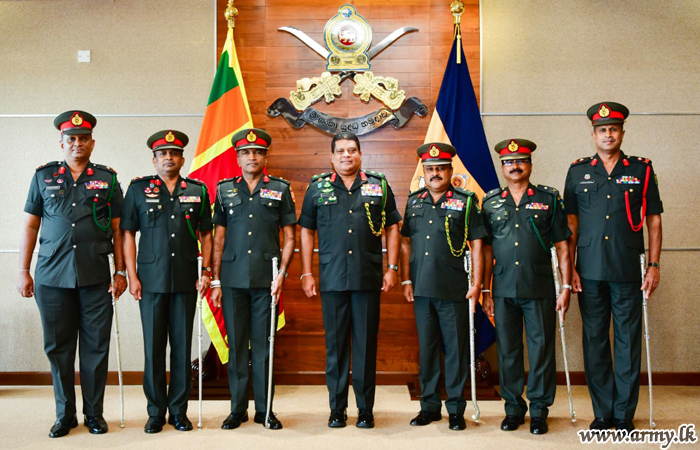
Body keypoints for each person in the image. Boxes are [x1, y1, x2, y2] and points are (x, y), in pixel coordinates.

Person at [17, 110, 127, 438]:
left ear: (92, 142)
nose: (77, 143)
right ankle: (64, 415)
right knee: (59, 349)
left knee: (96, 349)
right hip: (52, 278)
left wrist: (121, 271)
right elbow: (31, 225)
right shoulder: (43, 176)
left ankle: (94, 414)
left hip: (96, 278)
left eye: (83, 138)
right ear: (61, 143)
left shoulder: (107, 179)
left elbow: (119, 230)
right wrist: (23, 270)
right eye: (71, 138)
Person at [564, 102, 663, 432]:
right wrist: (570, 269)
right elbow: (571, 224)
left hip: (627, 269)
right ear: (593, 135)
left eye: (614, 129)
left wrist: (654, 265)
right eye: (602, 129)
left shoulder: (642, 170)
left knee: (627, 342)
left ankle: (623, 414)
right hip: (588, 271)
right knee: (595, 341)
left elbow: (653, 220)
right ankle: (603, 412)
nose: (608, 134)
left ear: (622, 133)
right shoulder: (577, 171)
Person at [298, 132, 401, 429]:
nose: (347, 155)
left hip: (367, 277)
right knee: (336, 346)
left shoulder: (378, 185)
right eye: (341, 151)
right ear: (332, 157)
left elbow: (393, 227)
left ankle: (365, 409)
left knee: (366, 346)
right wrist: (306, 272)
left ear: (360, 154)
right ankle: (337, 409)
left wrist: (392, 267)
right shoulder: (317, 187)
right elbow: (306, 229)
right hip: (332, 278)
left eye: (352, 150)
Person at [121, 130, 213, 433]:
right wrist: (132, 275)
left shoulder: (197, 190)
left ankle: (179, 411)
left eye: (174, 153)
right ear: (154, 160)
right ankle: (155, 412)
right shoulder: (138, 190)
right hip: (150, 281)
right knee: (154, 348)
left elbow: (207, 234)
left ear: (182, 159)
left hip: (186, 280)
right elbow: (127, 234)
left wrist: (206, 271)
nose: (168, 158)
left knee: (182, 348)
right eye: (162, 154)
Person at [481, 138, 572, 435]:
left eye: (520, 161)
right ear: (502, 167)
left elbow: (563, 245)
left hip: (539, 287)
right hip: (503, 288)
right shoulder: (491, 202)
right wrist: (485, 290)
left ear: (530, 165)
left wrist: (566, 286)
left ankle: (539, 410)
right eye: (509, 162)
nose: (515, 166)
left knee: (541, 349)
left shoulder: (548, 198)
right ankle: (513, 408)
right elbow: (486, 250)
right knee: (508, 351)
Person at [210, 128, 296, 430]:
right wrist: (216, 280)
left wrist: (282, 273)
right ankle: (237, 410)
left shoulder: (280, 189)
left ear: (265, 157)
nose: (252, 157)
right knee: (236, 347)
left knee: (263, 347)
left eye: (258, 152)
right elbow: (218, 238)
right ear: (237, 158)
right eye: (246, 152)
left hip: (266, 281)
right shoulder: (224, 190)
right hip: (232, 280)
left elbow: (289, 236)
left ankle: (264, 409)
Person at [399, 142, 486, 431]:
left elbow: (477, 244)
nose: (435, 173)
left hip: (454, 289)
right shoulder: (414, 201)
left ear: (450, 171)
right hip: (422, 288)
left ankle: (456, 409)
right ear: (423, 172)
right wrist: (407, 279)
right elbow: (406, 242)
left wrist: (477, 284)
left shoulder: (466, 200)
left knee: (456, 351)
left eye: (440, 168)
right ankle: (429, 407)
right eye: (430, 169)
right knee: (428, 351)